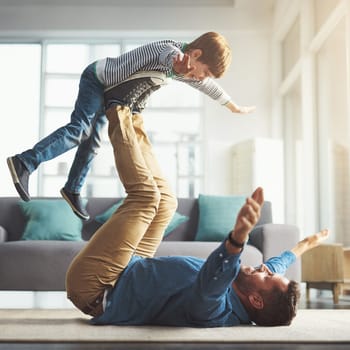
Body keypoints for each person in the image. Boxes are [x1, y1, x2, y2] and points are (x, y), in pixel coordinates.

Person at [65, 79, 329, 327]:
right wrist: (306, 245)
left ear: (256, 301)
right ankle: (134, 115)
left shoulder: (214, 309)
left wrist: (238, 238)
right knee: (167, 202)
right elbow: (276, 266)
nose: (265, 268)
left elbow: (211, 281)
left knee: (146, 198)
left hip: (98, 288)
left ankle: (117, 107)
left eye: (267, 277)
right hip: (132, 267)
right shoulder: (249, 284)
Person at [7, 31, 255, 220]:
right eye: (205, 72)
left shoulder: (185, 69)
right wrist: (177, 65)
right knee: (80, 130)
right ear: (197, 55)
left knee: (92, 143)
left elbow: (206, 86)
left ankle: (72, 188)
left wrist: (233, 106)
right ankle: (25, 162)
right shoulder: (170, 53)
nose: (202, 78)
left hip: (109, 94)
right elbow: (167, 58)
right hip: (97, 79)